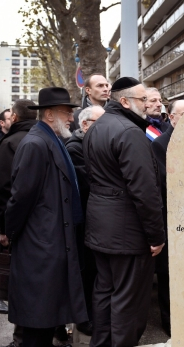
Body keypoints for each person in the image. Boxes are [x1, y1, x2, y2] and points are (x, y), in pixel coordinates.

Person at [83, 77, 166, 347]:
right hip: (127, 234)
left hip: (101, 229)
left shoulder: (98, 127)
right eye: (143, 99)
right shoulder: (129, 132)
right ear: (125, 101)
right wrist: (156, 235)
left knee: (105, 293)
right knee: (127, 303)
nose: (148, 104)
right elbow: (144, 190)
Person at [5, 87, 87, 347]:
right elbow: (19, 199)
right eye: (68, 112)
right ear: (50, 115)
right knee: (36, 326)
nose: (72, 118)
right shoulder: (35, 144)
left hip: (48, 244)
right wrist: (14, 234)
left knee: (45, 319)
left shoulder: (51, 139)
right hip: (39, 246)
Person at [0, 99, 37, 346]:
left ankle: (21, 338)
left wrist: (3, 228)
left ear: (16, 119)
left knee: (21, 283)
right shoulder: (49, 140)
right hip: (45, 226)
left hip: (20, 227)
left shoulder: (10, 143)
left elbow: (2, 189)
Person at [151, 98, 184, 337]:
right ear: (171, 117)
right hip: (171, 218)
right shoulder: (160, 144)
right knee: (168, 274)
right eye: (183, 115)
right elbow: (163, 184)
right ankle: (169, 322)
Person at [65, 105, 105, 336]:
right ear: (85, 124)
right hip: (84, 220)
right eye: (99, 123)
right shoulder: (75, 148)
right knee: (87, 270)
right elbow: (88, 184)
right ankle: (84, 318)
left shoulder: (92, 143)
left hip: (95, 218)